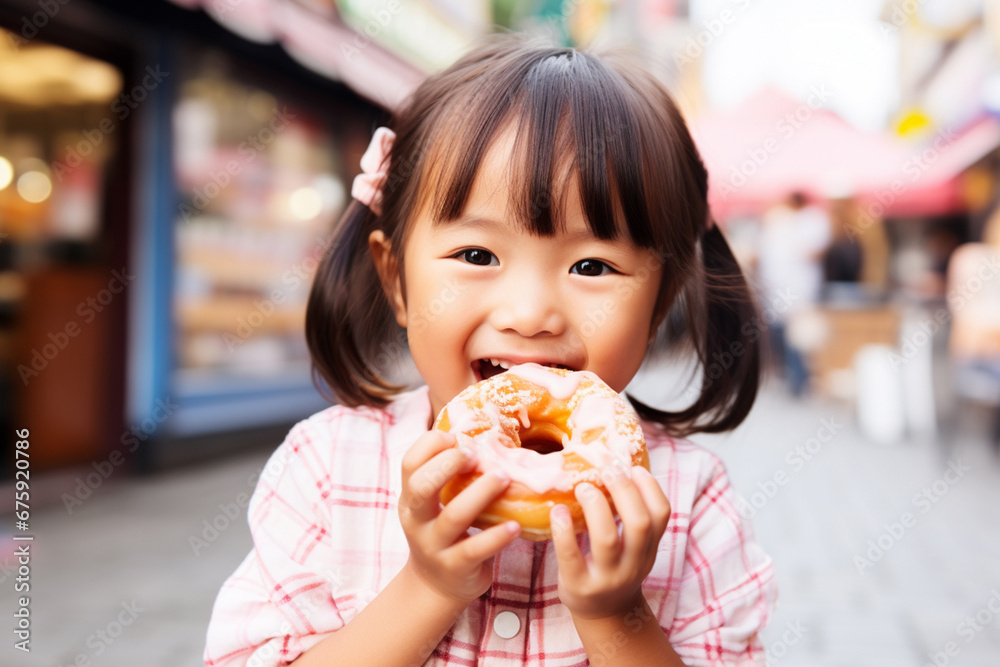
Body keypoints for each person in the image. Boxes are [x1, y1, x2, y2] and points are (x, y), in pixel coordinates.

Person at [204, 35, 776, 667]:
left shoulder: (690, 501)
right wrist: (426, 587)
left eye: (592, 265)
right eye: (477, 256)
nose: (529, 315)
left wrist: (618, 617)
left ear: (659, 304)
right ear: (395, 280)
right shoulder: (326, 469)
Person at [756, 191, 831, 396]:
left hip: (795, 293)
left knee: (798, 337)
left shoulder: (804, 222)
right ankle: (796, 380)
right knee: (789, 336)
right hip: (786, 292)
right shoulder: (783, 224)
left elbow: (813, 253)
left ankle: (799, 380)